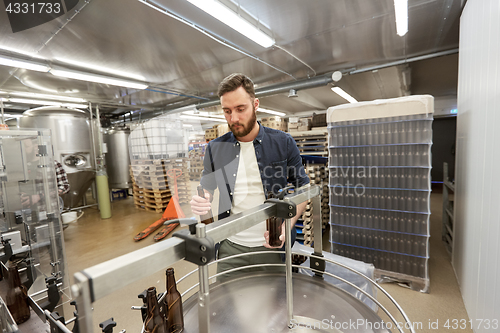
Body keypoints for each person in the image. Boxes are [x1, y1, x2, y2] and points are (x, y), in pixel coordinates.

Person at [190, 73, 310, 278]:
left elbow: (304, 190)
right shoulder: (215, 148)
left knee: (275, 306)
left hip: (274, 247)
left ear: (255, 104)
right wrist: (202, 201)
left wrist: (287, 226)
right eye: (227, 111)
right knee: (226, 307)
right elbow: (206, 188)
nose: (233, 118)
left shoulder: (283, 143)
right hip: (230, 248)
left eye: (240, 109)